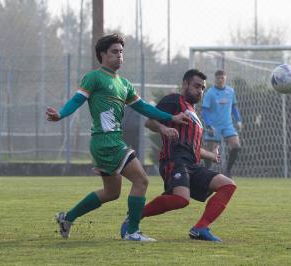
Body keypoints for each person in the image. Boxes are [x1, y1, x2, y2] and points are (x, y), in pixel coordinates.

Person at [46, 33, 190, 242]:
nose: (119, 56)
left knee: (112, 193)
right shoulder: (94, 77)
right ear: (102, 54)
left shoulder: (124, 84)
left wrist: (172, 117)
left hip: (110, 142)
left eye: (121, 52)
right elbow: (77, 100)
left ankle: (67, 218)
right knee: (141, 180)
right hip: (107, 142)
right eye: (114, 52)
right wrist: (60, 114)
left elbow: (143, 107)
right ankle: (132, 232)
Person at [120, 69, 237, 242]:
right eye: (197, 86)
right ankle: (134, 217)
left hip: (194, 164)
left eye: (203, 88)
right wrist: (164, 128)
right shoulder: (174, 100)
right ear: (185, 84)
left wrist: (211, 155)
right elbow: (150, 121)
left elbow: (192, 147)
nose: (200, 91)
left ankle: (200, 228)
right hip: (174, 160)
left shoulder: (193, 113)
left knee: (228, 185)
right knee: (182, 199)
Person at [202, 70, 243, 178]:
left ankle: (228, 171)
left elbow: (234, 107)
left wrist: (238, 120)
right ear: (215, 79)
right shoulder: (210, 93)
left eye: (222, 78)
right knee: (209, 152)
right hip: (214, 126)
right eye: (218, 78)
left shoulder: (230, 91)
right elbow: (204, 110)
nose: (220, 80)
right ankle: (206, 173)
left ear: (225, 79)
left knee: (236, 145)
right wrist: (208, 125)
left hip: (227, 125)